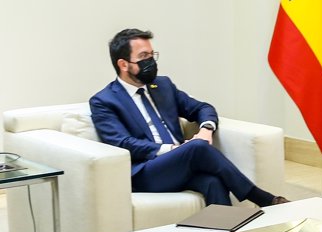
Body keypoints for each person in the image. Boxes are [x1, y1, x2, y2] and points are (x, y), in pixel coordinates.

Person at [90, 28, 289, 207]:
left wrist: (206, 129)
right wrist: (174, 149)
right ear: (123, 64)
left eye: (152, 55)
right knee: (197, 147)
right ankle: (262, 198)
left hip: (181, 164)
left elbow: (202, 108)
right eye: (143, 56)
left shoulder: (163, 86)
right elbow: (123, 143)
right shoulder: (104, 101)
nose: (150, 61)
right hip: (145, 172)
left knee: (213, 182)